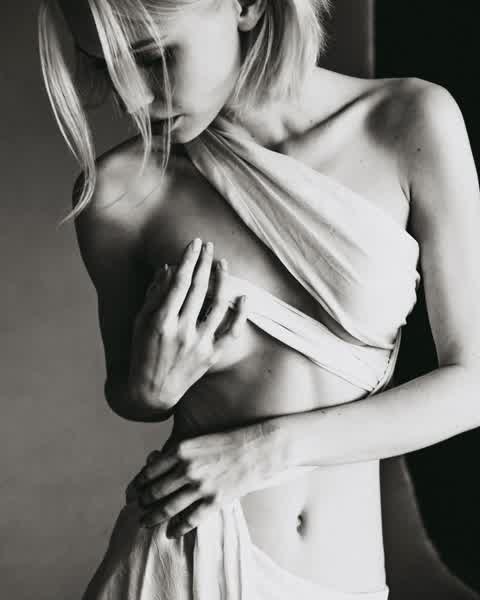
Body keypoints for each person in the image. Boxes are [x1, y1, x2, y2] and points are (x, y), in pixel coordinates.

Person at [37, 0, 480, 598]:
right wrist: (149, 392)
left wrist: (265, 450)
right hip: (189, 564)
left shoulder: (409, 123)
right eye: (106, 66)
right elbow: (131, 392)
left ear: (245, 5)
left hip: (348, 575)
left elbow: (473, 385)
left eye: (154, 56)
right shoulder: (120, 194)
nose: (134, 99)